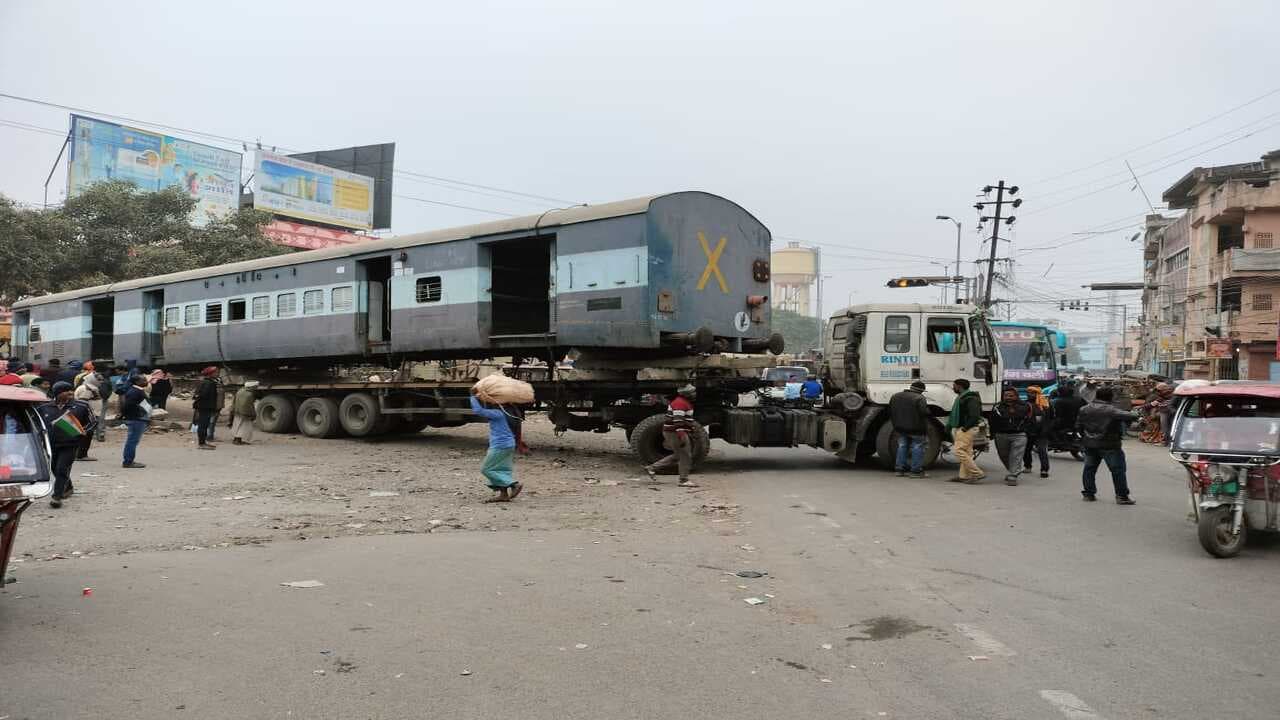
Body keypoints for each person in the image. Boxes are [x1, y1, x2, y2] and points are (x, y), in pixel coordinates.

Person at [1076, 386, 1139, 504]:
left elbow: (1079, 426)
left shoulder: (1084, 409)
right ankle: (1122, 496)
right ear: (1110, 396)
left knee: (1089, 469)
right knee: (1117, 470)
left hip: (1090, 444)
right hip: (1109, 445)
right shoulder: (1111, 410)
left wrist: (1085, 438)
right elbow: (1132, 416)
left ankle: (1089, 494)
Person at [36, 381, 93, 508]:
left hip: (70, 444)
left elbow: (92, 422)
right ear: (57, 393)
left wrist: (82, 432)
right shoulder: (43, 407)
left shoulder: (81, 406)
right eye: (66, 391)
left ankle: (57, 497)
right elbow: (37, 425)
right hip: (50, 444)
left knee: (62, 469)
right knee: (55, 469)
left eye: (71, 390)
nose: (70, 393)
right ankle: (68, 487)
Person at [468, 388, 523, 502]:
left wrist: (473, 396)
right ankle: (503, 495)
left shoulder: (498, 413)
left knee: (487, 469)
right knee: (501, 469)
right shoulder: (511, 412)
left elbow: (478, 410)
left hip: (500, 445)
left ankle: (514, 485)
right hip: (509, 444)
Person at [643, 384, 699, 487]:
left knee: (679, 454)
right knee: (685, 455)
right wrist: (682, 436)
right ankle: (684, 480)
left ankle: (652, 468)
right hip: (674, 432)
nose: (695, 394)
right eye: (692, 392)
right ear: (686, 394)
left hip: (675, 432)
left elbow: (684, 420)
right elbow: (678, 421)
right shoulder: (680, 403)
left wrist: (690, 430)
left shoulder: (683, 402)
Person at [946, 378, 985, 484]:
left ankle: (977, 473)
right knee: (967, 452)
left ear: (959, 386)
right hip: (964, 428)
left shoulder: (970, 398)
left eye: (954, 385)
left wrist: (964, 428)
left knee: (958, 451)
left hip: (967, 428)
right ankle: (963, 476)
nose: (953, 387)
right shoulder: (961, 397)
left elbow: (974, 416)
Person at [990, 387, 1032, 486]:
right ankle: (1013, 470)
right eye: (1006, 395)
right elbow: (992, 421)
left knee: (1016, 455)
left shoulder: (1025, 406)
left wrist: (1028, 432)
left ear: (1016, 396)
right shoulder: (997, 406)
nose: (1008, 397)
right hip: (1001, 435)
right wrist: (992, 434)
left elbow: (1030, 420)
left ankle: (1013, 475)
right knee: (1003, 455)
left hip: (1019, 435)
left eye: (1011, 395)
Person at [889, 380, 930, 478]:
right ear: (921, 390)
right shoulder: (920, 398)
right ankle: (915, 471)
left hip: (900, 427)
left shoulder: (895, 396)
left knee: (902, 446)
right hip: (916, 428)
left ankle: (899, 470)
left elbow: (890, 410)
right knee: (917, 447)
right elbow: (924, 412)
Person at [119, 374, 150, 468]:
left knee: (132, 440)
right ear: (137, 382)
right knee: (132, 440)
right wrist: (138, 413)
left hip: (137, 418)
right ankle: (128, 461)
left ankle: (128, 460)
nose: (146, 381)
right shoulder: (135, 392)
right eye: (143, 380)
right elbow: (127, 406)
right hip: (136, 419)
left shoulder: (137, 390)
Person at [1022, 385, 1052, 478]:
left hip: (1042, 432)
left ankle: (1044, 470)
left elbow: (1051, 418)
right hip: (1029, 431)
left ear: (1037, 394)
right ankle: (1027, 466)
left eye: (1032, 392)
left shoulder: (1046, 405)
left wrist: (1046, 429)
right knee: (1026, 450)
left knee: (1042, 451)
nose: (1029, 394)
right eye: (1028, 392)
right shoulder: (1025, 404)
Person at [72, 373, 102, 461]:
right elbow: (83, 404)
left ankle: (80, 454)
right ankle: (81, 455)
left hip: (90, 414)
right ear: (92, 379)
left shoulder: (91, 387)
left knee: (86, 434)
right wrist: (90, 416)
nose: (101, 382)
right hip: (87, 415)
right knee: (87, 434)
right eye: (99, 380)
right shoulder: (87, 389)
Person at [193, 366, 221, 450]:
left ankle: (203, 442)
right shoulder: (208, 383)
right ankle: (201, 444)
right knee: (203, 425)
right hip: (205, 407)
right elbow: (203, 395)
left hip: (204, 407)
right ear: (210, 374)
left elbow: (197, 395)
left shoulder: (205, 382)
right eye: (216, 372)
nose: (217, 374)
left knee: (204, 425)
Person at [230, 381, 258, 445]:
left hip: (237, 412)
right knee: (243, 427)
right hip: (245, 413)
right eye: (255, 387)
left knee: (237, 426)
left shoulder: (240, 391)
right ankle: (237, 441)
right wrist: (253, 414)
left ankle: (236, 439)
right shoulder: (249, 394)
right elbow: (249, 406)